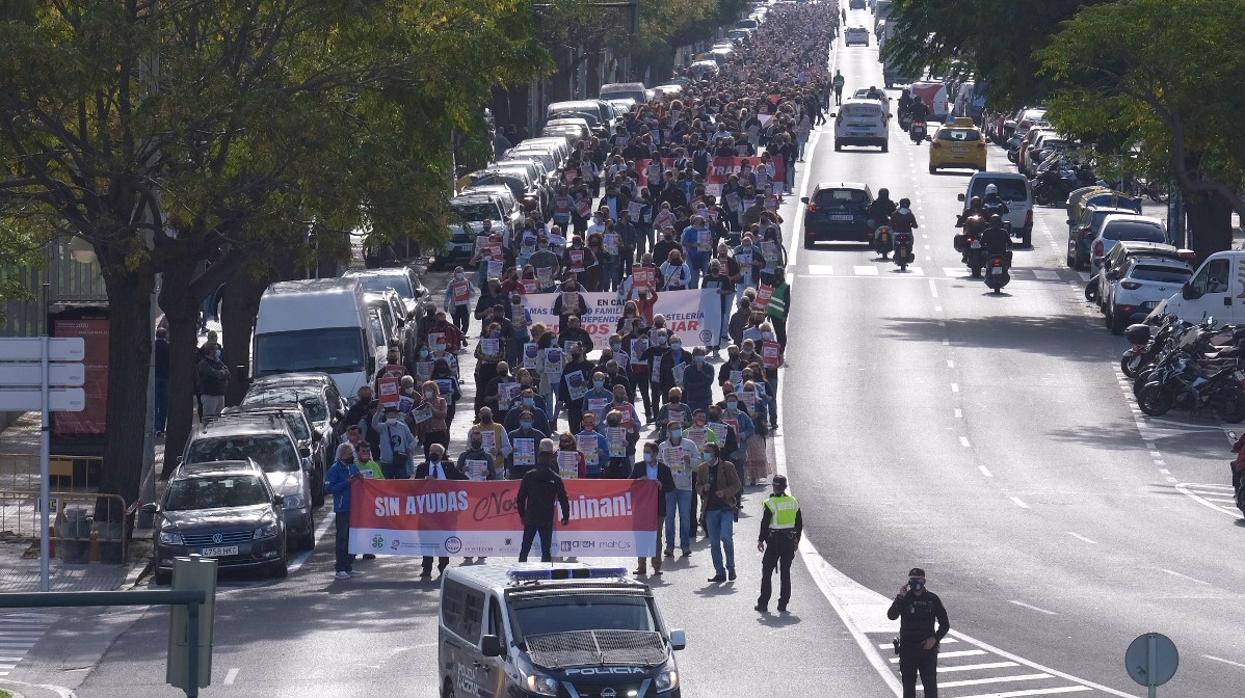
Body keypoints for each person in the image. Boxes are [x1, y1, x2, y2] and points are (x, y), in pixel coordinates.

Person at [887, 568, 950, 698]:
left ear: (924, 580)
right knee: (908, 688)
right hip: (908, 650)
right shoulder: (904, 599)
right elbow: (891, 615)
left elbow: (945, 624)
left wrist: (935, 639)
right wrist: (899, 597)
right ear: (909, 582)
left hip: (927, 650)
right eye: (913, 580)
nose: (916, 583)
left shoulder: (932, 599)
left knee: (930, 688)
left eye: (919, 579)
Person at [515, 439, 571, 562]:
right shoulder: (555, 477)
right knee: (546, 550)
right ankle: (545, 575)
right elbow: (563, 498)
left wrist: (522, 515)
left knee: (525, 549)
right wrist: (566, 516)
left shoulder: (529, 475)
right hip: (546, 518)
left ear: (538, 456)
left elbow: (520, 498)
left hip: (531, 517)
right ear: (551, 457)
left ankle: (520, 573)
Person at [415, 444, 467, 577]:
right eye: (432, 451)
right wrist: (425, 481)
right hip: (427, 513)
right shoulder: (422, 468)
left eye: (437, 451)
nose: (434, 453)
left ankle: (443, 566)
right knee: (426, 540)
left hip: (446, 513)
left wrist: (471, 473)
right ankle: (426, 567)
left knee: (445, 539)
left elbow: (464, 481)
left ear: (442, 454)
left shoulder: (448, 466)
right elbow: (413, 487)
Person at [755, 474, 802, 613]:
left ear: (774, 487)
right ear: (785, 487)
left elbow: (765, 523)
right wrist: (796, 541)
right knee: (785, 573)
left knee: (767, 572)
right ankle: (783, 604)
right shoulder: (794, 502)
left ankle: (763, 604)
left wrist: (760, 540)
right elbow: (799, 524)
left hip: (774, 541)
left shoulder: (771, 503)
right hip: (789, 541)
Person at [697, 443, 741, 582]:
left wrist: (725, 492)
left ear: (715, 453)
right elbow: (697, 486)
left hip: (725, 507)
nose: (705, 454)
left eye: (708, 451)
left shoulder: (727, 466)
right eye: (704, 451)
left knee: (726, 537)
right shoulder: (702, 468)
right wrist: (703, 488)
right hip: (710, 509)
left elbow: (737, 485)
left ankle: (731, 567)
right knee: (714, 543)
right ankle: (720, 572)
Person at [631, 443, 675, 576]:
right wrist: (639, 480)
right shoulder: (638, 466)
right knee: (641, 536)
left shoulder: (664, 469)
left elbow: (671, 487)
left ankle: (656, 566)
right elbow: (629, 483)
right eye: (644, 451)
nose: (646, 454)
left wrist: (661, 485)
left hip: (657, 507)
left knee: (656, 537)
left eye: (648, 452)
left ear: (655, 453)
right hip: (641, 508)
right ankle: (641, 566)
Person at [325, 443, 362, 580]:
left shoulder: (353, 467)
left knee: (352, 538)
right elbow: (329, 488)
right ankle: (340, 568)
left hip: (355, 508)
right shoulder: (335, 469)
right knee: (342, 538)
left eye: (351, 454)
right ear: (341, 456)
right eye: (348, 455)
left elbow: (360, 480)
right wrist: (347, 482)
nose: (350, 457)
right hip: (342, 508)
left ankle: (348, 566)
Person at [372, 404, 416, 479]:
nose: (391, 416)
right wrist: (378, 412)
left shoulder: (403, 427)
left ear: (397, 415)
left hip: (400, 461)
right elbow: (374, 424)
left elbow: (412, 440)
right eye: (389, 415)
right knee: (387, 485)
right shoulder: (383, 427)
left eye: (393, 414)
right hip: (387, 462)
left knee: (401, 485)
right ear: (386, 416)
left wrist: (409, 448)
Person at [197, 343, 229, 418]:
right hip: (209, 395)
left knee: (219, 418)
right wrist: (221, 373)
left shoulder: (218, 362)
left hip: (220, 394)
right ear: (210, 351)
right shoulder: (204, 363)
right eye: (216, 349)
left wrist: (223, 372)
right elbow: (214, 373)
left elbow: (228, 373)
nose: (218, 351)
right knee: (209, 418)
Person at [153, 327, 169, 435]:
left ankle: (156, 426)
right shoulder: (168, 347)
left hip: (155, 377)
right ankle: (162, 426)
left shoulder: (152, 346)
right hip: (165, 377)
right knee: (164, 403)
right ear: (165, 335)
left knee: (155, 403)